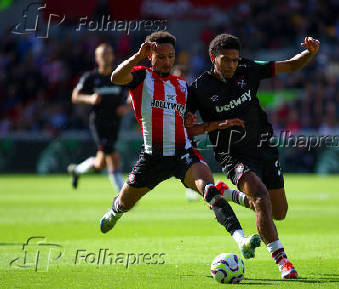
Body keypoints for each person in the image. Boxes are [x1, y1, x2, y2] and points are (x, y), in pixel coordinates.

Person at [99, 31, 261, 259]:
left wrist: (217, 124)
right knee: (125, 203)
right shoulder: (141, 77)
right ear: (151, 55)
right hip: (152, 158)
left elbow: (190, 127)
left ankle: (241, 240)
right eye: (161, 56)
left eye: (171, 56)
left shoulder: (182, 87)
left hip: (183, 155)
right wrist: (138, 56)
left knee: (209, 189)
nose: (166, 61)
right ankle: (115, 212)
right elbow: (116, 77)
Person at [185, 33, 320, 279]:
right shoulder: (198, 89)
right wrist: (216, 125)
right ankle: (283, 262)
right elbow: (188, 128)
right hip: (233, 154)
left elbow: (290, 65)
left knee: (278, 212)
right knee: (260, 196)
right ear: (213, 58)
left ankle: (229, 193)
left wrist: (309, 53)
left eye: (235, 60)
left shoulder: (248, 69)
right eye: (226, 60)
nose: (231, 65)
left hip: (264, 146)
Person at [68, 43, 130, 192]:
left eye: (108, 53)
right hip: (99, 123)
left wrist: (127, 107)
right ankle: (122, 197)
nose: (105, 56)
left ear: (113, 56)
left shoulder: (119, 76)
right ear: (96, 58)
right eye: (102, 54)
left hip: (115, 122)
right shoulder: (91, 77)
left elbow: (132, 95)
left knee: (100, 163)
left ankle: (77, 170)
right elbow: (75, 96)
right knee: (113, 156)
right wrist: (90, 99)